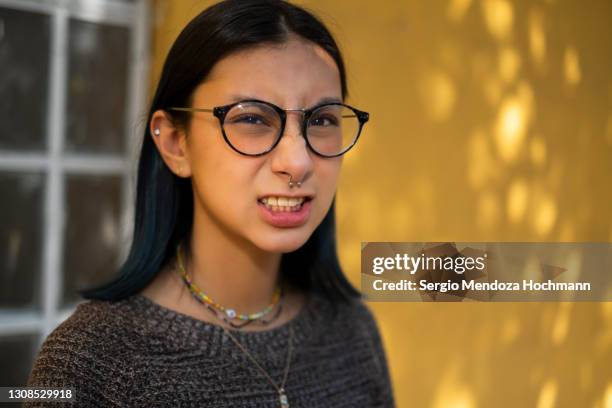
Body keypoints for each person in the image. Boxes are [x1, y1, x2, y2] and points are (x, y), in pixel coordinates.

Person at [26, 0, 395, 406]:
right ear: (174, 143)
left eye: (322, 120)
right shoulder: (92, 358)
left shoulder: (352, 332)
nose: (298, 161)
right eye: (252, 118)